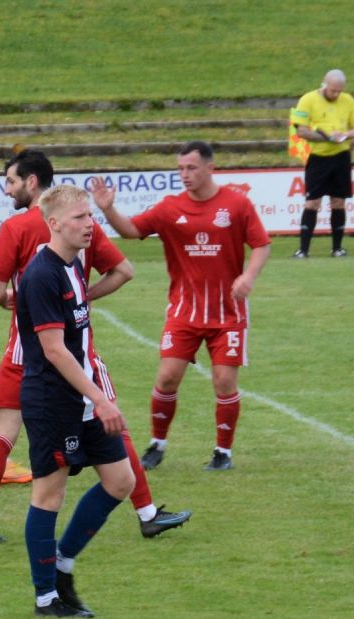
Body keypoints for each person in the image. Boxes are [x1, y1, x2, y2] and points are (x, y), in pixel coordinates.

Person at [0, 149, 190, 544]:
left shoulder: (17, 228)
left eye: (12, 181)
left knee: (3, 436)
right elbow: (124, 271)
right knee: (111, 425)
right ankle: (145, 513)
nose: (7, 190)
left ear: (32, 182)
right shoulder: (83, 227)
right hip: (71, 352)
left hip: (23, 351)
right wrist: (78, 299)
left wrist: (21, 302)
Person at [93, 141, 271, 471]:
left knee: (224, 382)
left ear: (210, 168)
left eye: (191, 168)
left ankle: (223, 452)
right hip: (184, 312)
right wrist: (108, 209)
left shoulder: (236, 204)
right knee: (166, 378)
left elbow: (261, 244)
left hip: (227, 312)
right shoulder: (170, 208)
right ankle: (157, 445)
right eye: (180, 168)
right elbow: (131, 230)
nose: (184, 174)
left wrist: (248, 276)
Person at [17, 184, 134, 618]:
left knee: (121, 481)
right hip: (53, 401)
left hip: (82, 397)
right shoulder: (42, 274)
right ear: (54, 224)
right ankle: (46, 597)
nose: (90, 224)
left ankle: (63, 563)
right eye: (80, 217)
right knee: (49, 495)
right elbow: (54, 350)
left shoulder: (73, 265)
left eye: (90, 215)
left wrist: (94, 397)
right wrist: (100, 398)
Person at [291, 69, 354, 258]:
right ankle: (303, 250)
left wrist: (345, 135)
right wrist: (328, 138)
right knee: (312, 202)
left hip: (341, 157)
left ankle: (337, 248)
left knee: (338, 202)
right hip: (318, 158)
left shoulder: (348, 101)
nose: (336, 94)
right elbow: (301, 131)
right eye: (333, 90)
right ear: (324, 84)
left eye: (339, 91)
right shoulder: (308, 100)